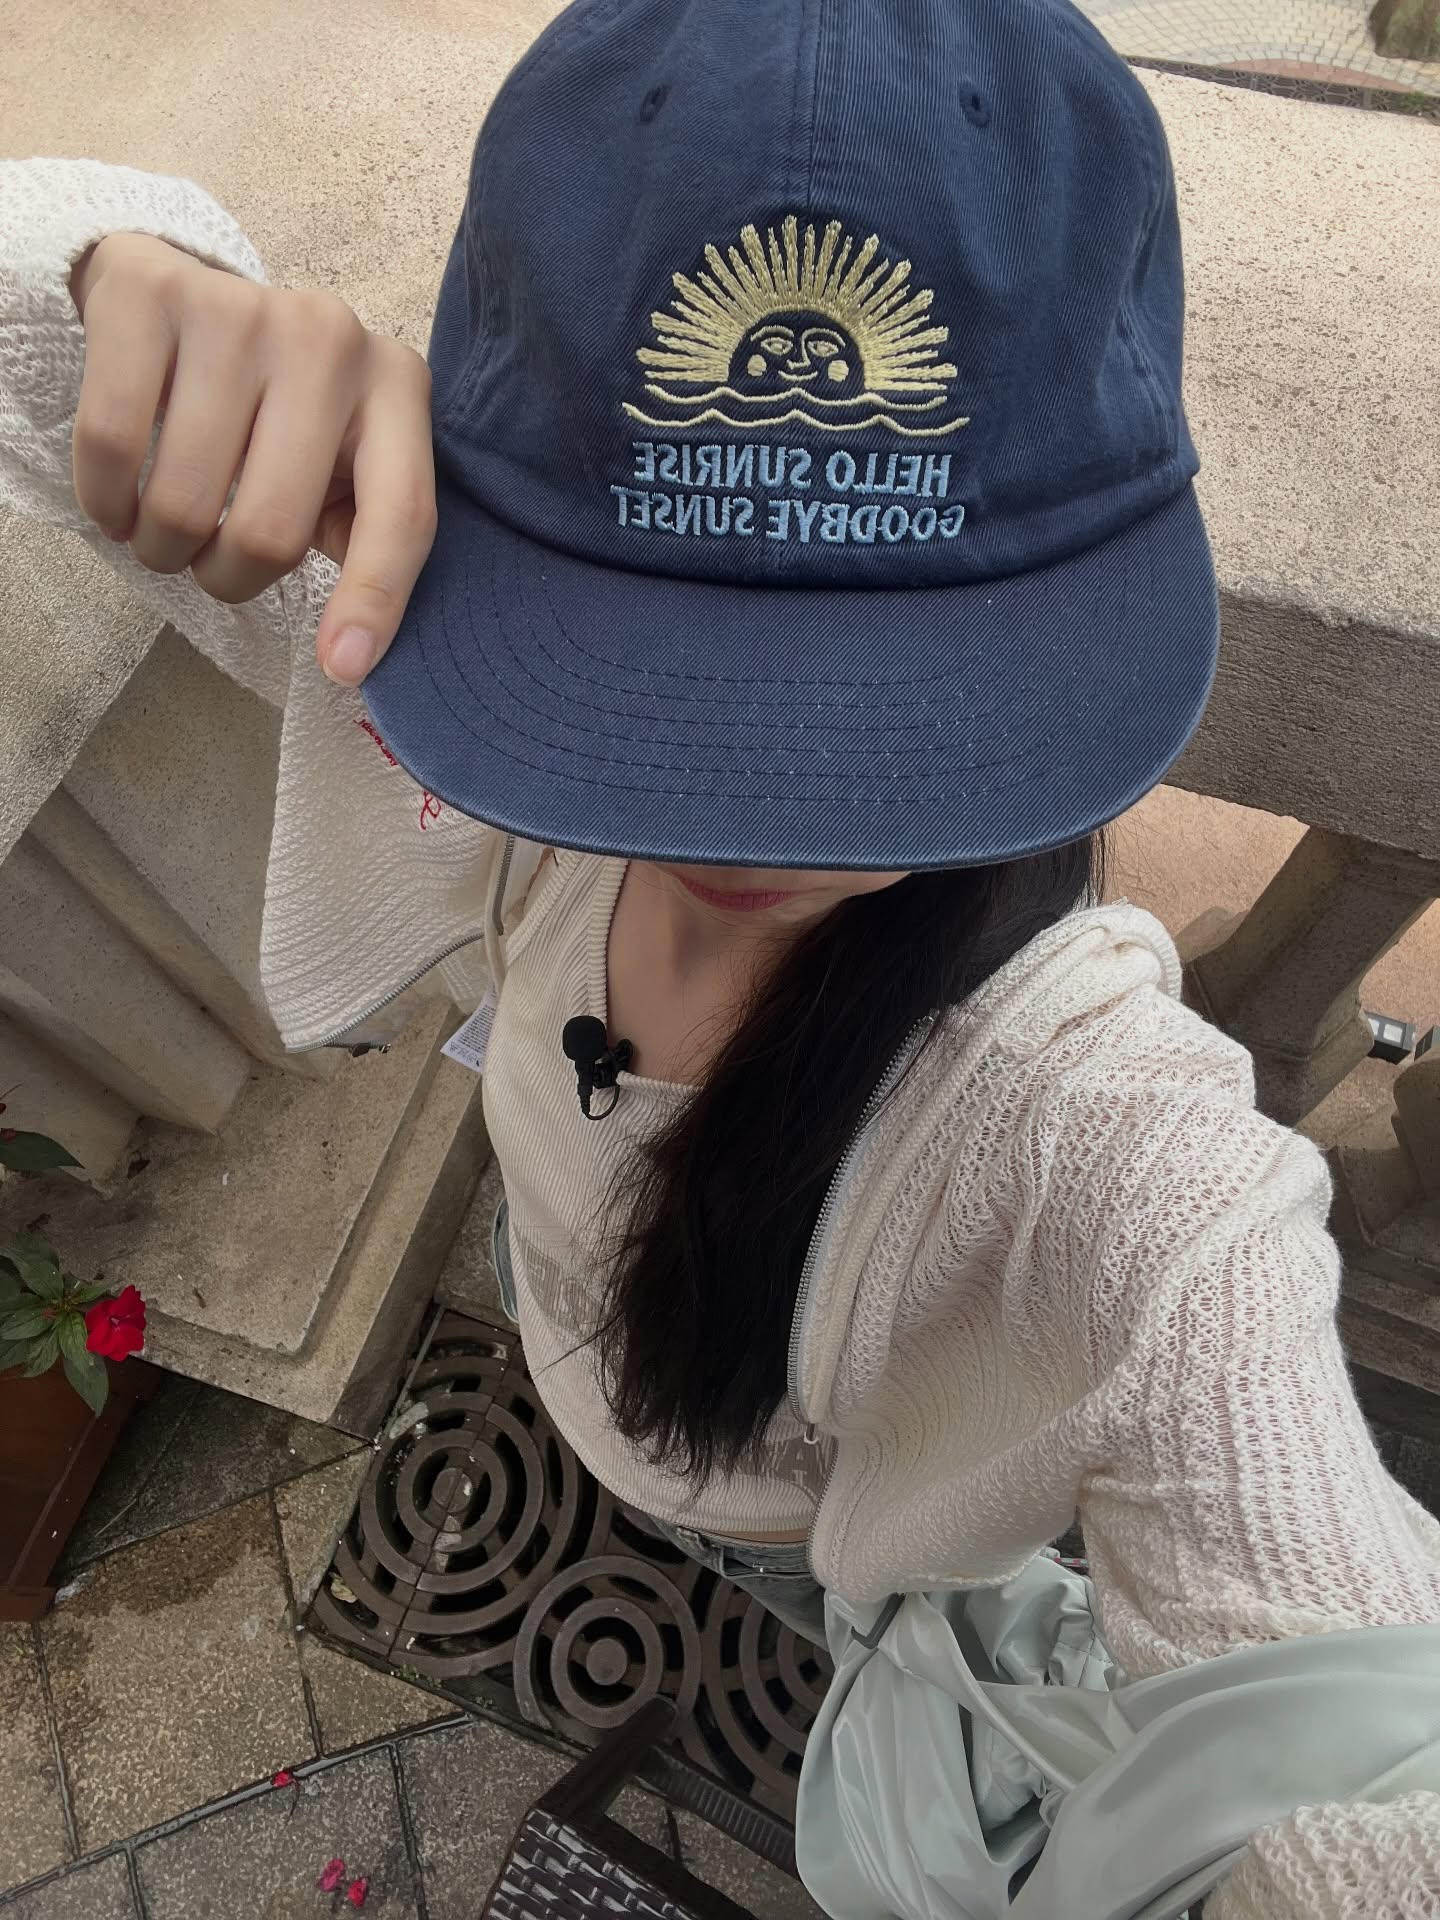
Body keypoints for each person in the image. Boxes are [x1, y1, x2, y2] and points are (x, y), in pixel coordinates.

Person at [2, 0, 1437, 1911]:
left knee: (770, 1562)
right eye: (651, 665)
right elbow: (35, 347)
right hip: (592, 1363)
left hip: (799, 1532)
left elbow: (1357, 1752)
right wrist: (123, 274)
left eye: (881, 698)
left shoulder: (1101, 1146)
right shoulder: (405, 660)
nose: (753, 830)